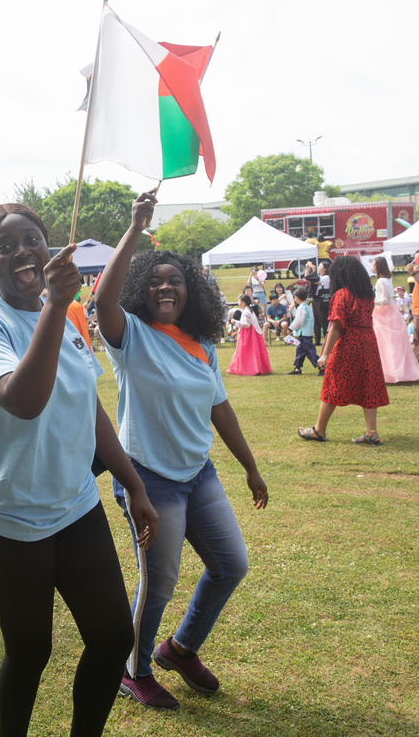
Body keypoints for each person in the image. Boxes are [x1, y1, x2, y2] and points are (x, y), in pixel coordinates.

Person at [0, 203, 157, 736]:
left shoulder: (64, 316)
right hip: (8, 514)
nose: (22, 250)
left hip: (74, 504)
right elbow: (23, 400)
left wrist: (132, 483)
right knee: (30, 651)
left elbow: (87, 404)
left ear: (49, 247)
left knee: (114, 637)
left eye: (32, 238)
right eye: (4, 245)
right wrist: (55, 306)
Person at [94, 192, 267, 711]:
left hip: (200, 474)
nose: (165, 287)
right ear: (141, 290)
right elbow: (103, 300)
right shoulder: (130, 335)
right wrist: (135, 229)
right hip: (150, 479)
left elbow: (219, 406)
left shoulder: (203, 344)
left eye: (175, 280)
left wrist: (251, 468)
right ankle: (134, 668)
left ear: (191, 291)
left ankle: (181, 647)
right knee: (159, 582)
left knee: (231, 565)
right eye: (155, 280)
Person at [298, 255, 388, 445]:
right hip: (368, 342)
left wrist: (325, 353)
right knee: (368, 384)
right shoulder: (367, 294)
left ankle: (319, 430)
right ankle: (371, 431)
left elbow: (337, 326)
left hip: (348, 343)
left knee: (333, 383)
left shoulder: (342, 295)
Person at [370, 257, 419, 384]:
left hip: (384, 314)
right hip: (388, 312)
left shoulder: (381, 281)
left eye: (374, 265)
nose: (372, 267)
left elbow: (385, 300)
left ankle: (391, 372)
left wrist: (370, 302)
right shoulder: (386, 279)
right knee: (392, 343)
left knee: (386, 343)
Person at [227, 295, 271, 375]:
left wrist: (235, 322)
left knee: (246, 351)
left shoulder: (246, 312)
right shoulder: (249, 311)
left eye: (239, 301)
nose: (239, 303)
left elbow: (246, 325)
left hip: (248, 335)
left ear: (243, 303)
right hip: (250, 333)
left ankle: (247, 368)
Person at [286, 287, 320, 375]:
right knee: (300, 351)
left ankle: (322, 366)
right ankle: (297, 368)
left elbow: (298, 320)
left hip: (304, 333)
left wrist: (290, 329)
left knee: (310, 351)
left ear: (296, 297)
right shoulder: (308, 307)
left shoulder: (301, 308)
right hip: (307, 332)